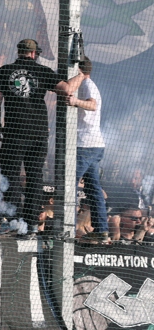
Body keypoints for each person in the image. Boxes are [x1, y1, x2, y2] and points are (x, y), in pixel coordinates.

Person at [0, 39, 86, 236]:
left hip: (14, 132)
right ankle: (32, 224)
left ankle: (13, 220)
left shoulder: (5, 70)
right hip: (39, 134)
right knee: (35, 178)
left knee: (11, 176)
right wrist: (82, 75)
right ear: (34, 54)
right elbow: (66, 89)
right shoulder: (43, 71)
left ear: (19, 52)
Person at [67, 57, 109, 242]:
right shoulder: (89, 84)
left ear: (79, 70)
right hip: (94, 145)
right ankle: (101, 229)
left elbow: (92, 105)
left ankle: (66, 228)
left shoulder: (86, 84)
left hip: (85, 145)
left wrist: (75, 101)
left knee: (69, 185)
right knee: (93, 189)